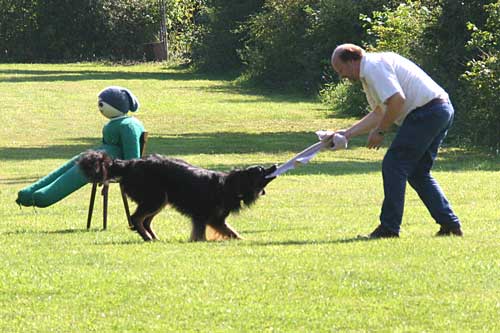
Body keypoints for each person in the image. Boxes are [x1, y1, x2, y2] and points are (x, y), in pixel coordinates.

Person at [330, 43, 462, 238]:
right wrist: (346, 134)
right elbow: (379, 112)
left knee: (394, 165)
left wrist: (381, 131)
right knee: (418, 173)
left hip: (428, 111)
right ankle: (450, 225)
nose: (343, 76)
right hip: (439, 110)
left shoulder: (374, 67)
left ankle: (389, 228)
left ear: (352, 60)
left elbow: (397, 100)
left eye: (341, 70)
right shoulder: (370, 71)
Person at [16, 86, 145, 208]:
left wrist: (128, 173)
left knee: (77, 173)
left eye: (102, 103)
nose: (100, 107)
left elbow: (132, 155)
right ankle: (29, 192)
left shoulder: (129, 125)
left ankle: (44, 196)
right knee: (72, 164)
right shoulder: (115, 123)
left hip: (107, 164)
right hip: (100, 157)